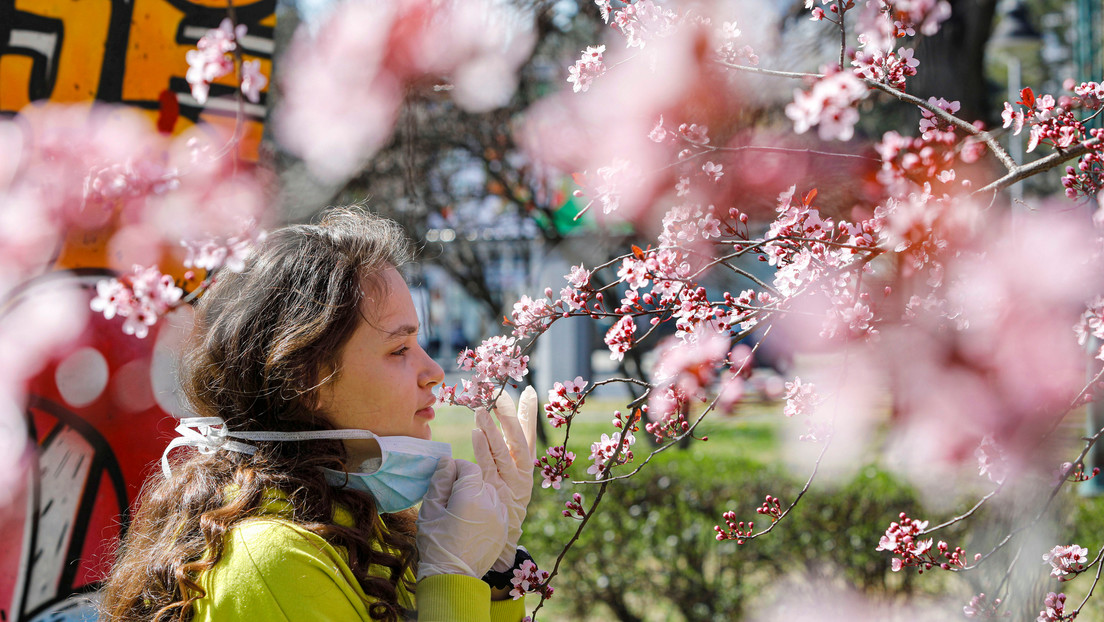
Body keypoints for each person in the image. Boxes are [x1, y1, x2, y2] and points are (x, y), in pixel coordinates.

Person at [101, 208, 538, 622]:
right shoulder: (273, 558)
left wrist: (494, 574)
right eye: (399, 349)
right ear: (304, 379)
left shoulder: (362, 519)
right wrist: (450, 579)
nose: (434, 373)